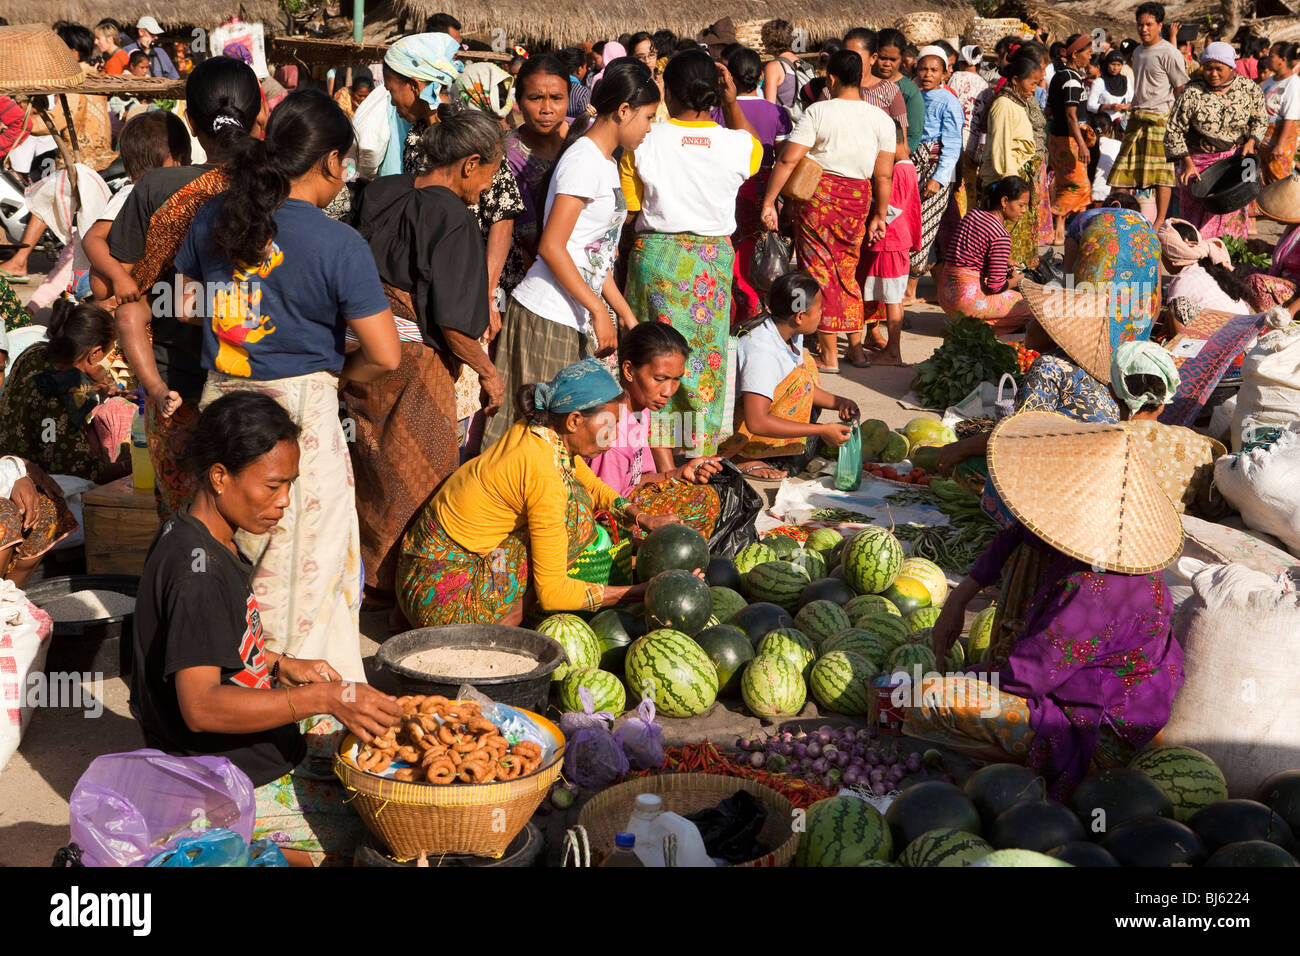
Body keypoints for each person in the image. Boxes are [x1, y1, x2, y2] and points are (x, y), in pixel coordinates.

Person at [173, 89, 401, 682]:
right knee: (303, 569)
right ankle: (298, 713)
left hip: (223, 402)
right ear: (330, 162)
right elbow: (384, 353)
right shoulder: (340, 244)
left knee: (228, 552)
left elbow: (187, 304)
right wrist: (335, 376)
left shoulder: (212, 218)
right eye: (345, 164)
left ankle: (220, 681)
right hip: (298, 419)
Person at [129, 391, 406, 867]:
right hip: (220, 779)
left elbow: (206, 647)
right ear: (220, 477)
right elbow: (200, 706)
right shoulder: (197, 575)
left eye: (290, 485)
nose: (284, 502)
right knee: (381, 828)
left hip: (248, 754)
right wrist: (323, 698)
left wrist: (280, 663)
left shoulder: (201, 535)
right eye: (273, 486)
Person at [914, 411, 1185, 796]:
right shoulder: (1102, 546)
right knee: (1028, 551)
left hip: (1094, 724)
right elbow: (1018, 535)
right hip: (1088, 685)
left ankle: (1033, 769)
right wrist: (957, 600)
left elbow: (1028, 677)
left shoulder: (1095, 591)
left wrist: (965, 679)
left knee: (928, 701)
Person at [343, 107, 505, 611]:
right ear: (470, 163)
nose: (489, 186)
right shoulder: (453, 216)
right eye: (492, 173)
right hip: (413, 365)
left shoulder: (383, 190)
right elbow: (455, 326)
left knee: (370, 464)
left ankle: (365, 580)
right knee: (420, 476)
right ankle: (403, 593)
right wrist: (489, 372)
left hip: (360, 349)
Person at [104, 56, 265, 519]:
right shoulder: (278, 186)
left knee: (186, 518)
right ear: (259, 115)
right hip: (264, 381)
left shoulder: (157, 187)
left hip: (176, 384)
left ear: (191, 123)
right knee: (260, 521)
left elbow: (118, 282)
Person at [399, 359, 676, 627]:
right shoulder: (544, 473)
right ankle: (511, 617)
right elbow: (554, 591)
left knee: (577, 501)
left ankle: (513, 606)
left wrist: (641, 518)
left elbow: (590, 483)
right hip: (445, 600)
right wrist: (636, 592)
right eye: (608, 426)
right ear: (574, 421)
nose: (614, 437)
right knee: (576, 517)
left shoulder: (539, 430)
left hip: (415, 574)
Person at [482, 59, 659, 452]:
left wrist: (623, 313)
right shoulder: (583, 160)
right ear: (624, 110)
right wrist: (598, 310)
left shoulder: (605, 161)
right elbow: (552, 246)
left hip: (572, 313)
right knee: (533, 437)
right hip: (548, 312)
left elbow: (595, 255)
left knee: (558, 437)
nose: (649, 128)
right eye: (647, 117)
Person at [622, 50, 761, 460]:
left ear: (667, 89)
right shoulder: (737, 144)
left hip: (657, 257)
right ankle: (699, 458)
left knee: (648, 359)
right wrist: (733, 102)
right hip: (709, 262)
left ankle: (654, 461)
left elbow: (631, 209)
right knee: (702, 362)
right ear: (720, 90)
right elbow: (752, 146)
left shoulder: (645, 138)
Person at [761, 49, 895, 374]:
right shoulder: (881, 118)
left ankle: (830, 354)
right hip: (858, 199)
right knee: (847, 272)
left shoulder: (819, 111)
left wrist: (769, 201)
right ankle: (858, 350)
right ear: (862, 78)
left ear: (831, 78)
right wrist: (879, 214)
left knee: (820, 272)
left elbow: (789, 159)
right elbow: (884, 175)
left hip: (820, 200)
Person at [587, 323, 722, 537]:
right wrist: (649, 522)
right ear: (629, 370)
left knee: (706, 495)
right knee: (701, 503)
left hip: (632, 500)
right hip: (612, 520)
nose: (668, 391)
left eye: (676, 379)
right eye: (659, 379)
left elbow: (634, 481)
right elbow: (605, 511)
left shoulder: (641, 410)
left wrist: (680, 472)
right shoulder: (612, 432)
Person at [719, 272, 859, 478]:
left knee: (805, 365)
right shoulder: (762, 353)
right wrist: (820, 430)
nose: (823, 312)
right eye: (819, 309)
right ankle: (739, 456)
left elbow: (801, 388)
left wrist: (839, 402)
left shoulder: (789, 331)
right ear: (800, 317)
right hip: (734, 429)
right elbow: (756, 421)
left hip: (759, 410)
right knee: (802, 373)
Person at [0, 299, 132, 484]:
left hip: (7, 468)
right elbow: (74, 469)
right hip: (42, 485)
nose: (112, 363)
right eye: (111, 353)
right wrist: (128, 465)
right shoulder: (66, 390)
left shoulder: (33, 353)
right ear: (95, 354)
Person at [84, 109, 191, 307]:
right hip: (124, 287)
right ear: (178, 157)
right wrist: (119, 277)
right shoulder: (131, 194)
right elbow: (92, 238)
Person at [1166, 42, 1267, 240]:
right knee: (1195, 219)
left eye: (1219, 69)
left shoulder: (1248, 88)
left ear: (1231, 67)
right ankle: (1195, 264)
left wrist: (1252, 141)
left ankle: (1227, 262)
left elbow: (1260, 118)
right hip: (1197, 163)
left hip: (1235, 162)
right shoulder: (1192, 92)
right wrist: (1186, 162)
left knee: (1233, 214)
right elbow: (1174, 130)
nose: (1213, 74)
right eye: (1208, 68)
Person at [1107, 3, 1189, 229]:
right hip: (1137, 117)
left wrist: (1177, 123)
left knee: (1162, 175)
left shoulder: (1170, 53)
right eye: (1140, 25)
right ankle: (1120, 216)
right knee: (1122, 171)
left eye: (1149, 25)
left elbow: (1181, 89)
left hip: (1160, 119)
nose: (1143, 29)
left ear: (1160, 25)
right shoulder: (1138, 52)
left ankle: (1160, 222)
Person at [727, 46, 793, 322]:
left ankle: (740, 308)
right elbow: (783, 156)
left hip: (734, 186)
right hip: (767, 186)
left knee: (736, 248)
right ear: (760, 79)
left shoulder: (721, 111)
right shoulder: (777, 113)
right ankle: (759, 307)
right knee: (762, 248)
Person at [937, 176, 1034, 333]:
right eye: (1021, 205)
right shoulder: (1000, 234)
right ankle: (979, 326)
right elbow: (995, 286)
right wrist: (1016, 281)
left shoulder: (974, 214)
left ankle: (969, 321)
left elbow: (970, 254)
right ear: (1004, 201)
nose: (1024, 210)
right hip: (966, 302)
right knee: (1032, 308)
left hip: (946, 295)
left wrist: (1005, 261)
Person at [858, 122, 920, 364]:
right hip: (891, 242)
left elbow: (891, 208)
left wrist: (873, 213)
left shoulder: (901, 170)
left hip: (891, 242)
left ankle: (893, 351)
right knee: (883, 293)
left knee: (893, 297)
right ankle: (879, 340)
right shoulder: (905, 168)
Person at [1063, 192, 1162, 342]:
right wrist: (1142, 336)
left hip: (1092, 324)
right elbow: (1157, 294)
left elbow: (1069, 278)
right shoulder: (1146, 227)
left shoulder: (1085, 219)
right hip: (1137, 324)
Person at [907, 46, 964, 303]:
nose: (928, 74)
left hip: (935, 168)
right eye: (923, 69)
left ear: (944, 72)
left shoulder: (949, 101)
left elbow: (952, 144)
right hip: (913, 164)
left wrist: (938, 178)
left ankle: (910, 290)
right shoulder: (913, 94)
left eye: (934, 70)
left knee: (924, 227)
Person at [980, 55, 1043, 268]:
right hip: (1007, 183)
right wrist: (1014, 188)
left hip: (1018, 180)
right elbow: (1002, 150)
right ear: (1015, 80)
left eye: (1037, 84)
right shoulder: (1004, 106)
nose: (1035, 89)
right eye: (1032, 83)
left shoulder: (1017, 104)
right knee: (1003, 243)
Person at [379, 31, 461, 177]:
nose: (391, 101)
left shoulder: (468, 131)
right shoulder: (414, 138)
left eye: (391, 91)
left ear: (414, 86)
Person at [1158, 219, 1252, 330]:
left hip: (1225, 342)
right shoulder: (1211, 268)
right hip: (1246, 337)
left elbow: (1172, 320)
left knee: (1176, 308)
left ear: (1171, 255)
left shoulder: (1183, 280)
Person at [1047, 35, 1095, 243]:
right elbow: (1071, 115)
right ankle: (1058, 226)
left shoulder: (1059, 76)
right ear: (1075, 54)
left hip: (1057, 139)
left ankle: (1066, 229)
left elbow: (1049, 109)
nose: (1090, 57)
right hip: (1069, 141)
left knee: (1066, 182)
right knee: (1078, 186)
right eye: (1088, 52)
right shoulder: (1072, 80)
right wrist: (1082, 144)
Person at [841, 30, 908, 130]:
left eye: (855, 58)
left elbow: (901, 142)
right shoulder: (831, 89)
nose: (849, 62)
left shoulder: (890, 91)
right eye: (845, 56)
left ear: (873, 58)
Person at [876, 29, 923, 154]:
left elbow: (913, 136)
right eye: (882, 58)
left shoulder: (909, 91)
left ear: (902, 59)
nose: (887, 63)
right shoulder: (863, 83)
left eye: (893, 59)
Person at [1260, 42, 1300, 183]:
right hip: (1265, 139)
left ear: (1283, 60)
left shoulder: (1293, 83)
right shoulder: (1270, 80)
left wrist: (1279, 145)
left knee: (1278, 180)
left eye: (1272, 55)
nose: (1268, 58)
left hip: (1280, 139)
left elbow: (1290, 117)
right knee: (1264, 178)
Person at [1088, 49, 1133, 131]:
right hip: (1104, 127)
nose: (1115, 68)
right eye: (1113, 64)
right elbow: (1090, 105)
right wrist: (1109, 106)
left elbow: (1132, 100)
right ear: (1107, 64)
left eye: (1118, 65)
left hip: (1122, 127)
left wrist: (1127, 106)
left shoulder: (1126, 80)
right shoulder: (1099, 82)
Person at [124, 16, 180, 80]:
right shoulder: (127, 51)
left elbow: (174, 76)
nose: (156, 37)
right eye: (152, 34)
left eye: (156, 34)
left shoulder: (160, 52)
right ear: (141, 32)